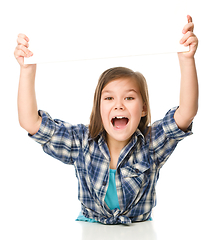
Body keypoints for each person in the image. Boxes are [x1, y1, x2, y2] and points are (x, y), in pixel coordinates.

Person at [14, 15, 198, 225]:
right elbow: (30, 122)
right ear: (99, 107)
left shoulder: (151, 144)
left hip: (138, 231)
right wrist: (27, 70)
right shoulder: (81, 141)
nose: (119, 105)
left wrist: (187, 60)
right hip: (92, 229)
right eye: (109, 98)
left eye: (129, 98)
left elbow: (186, 112)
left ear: (144, 108)